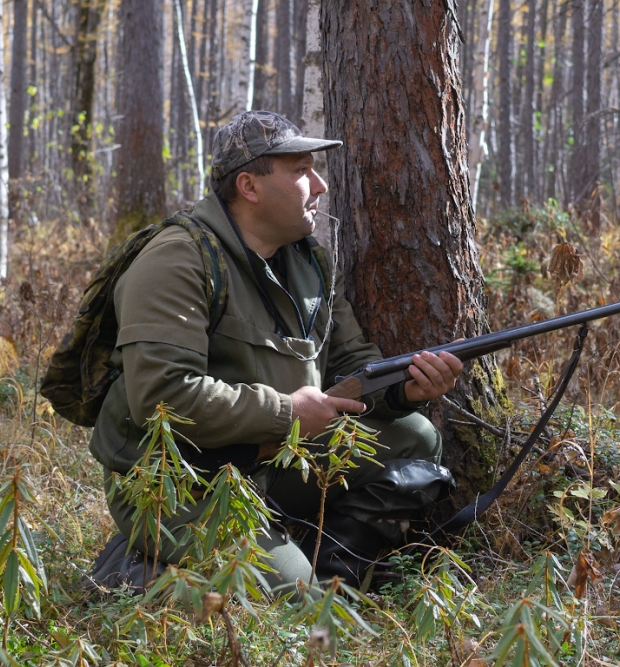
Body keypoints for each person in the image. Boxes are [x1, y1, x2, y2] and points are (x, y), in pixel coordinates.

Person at [89, 110, 463, 592]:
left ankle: (322, 564)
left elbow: (350, 366)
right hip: (177, 482)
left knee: (414, 436)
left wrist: (404, 389)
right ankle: (132, 570)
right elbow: (163, 397)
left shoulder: (308, 262)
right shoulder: (176, 261)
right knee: (296, 603)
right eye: (302, 170)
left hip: (271, 457)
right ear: (249, 187)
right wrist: (286, 412)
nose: (321, 186)